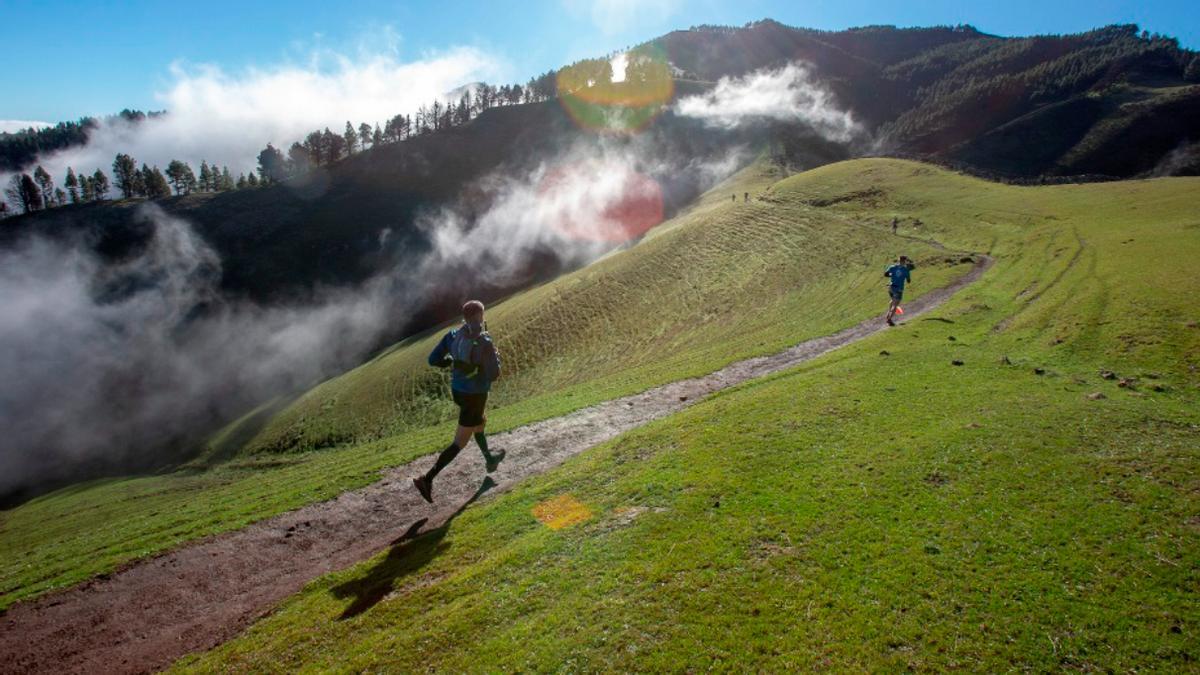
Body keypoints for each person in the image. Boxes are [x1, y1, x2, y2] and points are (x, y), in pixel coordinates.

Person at [413, 300, 504, 503]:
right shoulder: (484, 341)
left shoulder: (453, 335)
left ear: (464, 317)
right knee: (460, 442)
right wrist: (495, 357)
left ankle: (490, 459)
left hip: (458, 391)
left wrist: (452, 362)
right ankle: (426, 479)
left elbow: (433, 360)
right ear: (480, 316)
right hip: (475, 395)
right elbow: (494, 374)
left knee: (480, 422)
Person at [883, 255, 913, 326]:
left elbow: (886, 274)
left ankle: (888, 314)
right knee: (895, 304)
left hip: (891, 287)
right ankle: (889, 319)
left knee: (892, 300)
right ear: (904, 261)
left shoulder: (892, 267)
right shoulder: (905, 270)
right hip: (898, 289)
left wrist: (892, 275)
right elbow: (908, 281)